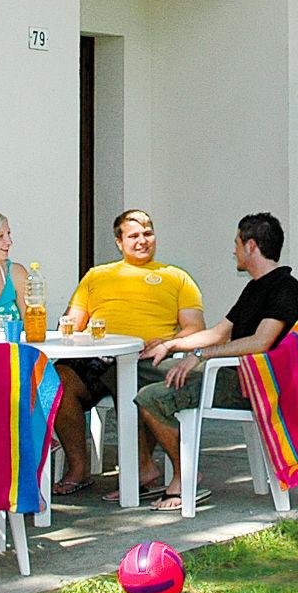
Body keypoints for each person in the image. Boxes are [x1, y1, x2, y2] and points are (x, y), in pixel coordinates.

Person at [138, 212, 298, 509]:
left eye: (237, 243)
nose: (234, 250)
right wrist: (170, 344)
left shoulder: (286, 289)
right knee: (142, 369)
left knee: (150, 396)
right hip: (232, 375)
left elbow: (261, 343)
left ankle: (183, 478)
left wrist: (199, 356)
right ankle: (141, 469)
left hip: (253, 386)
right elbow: (218, 333)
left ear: (251, 246)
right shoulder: (256, 286)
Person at [54, 208, 204, 499]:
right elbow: (73, 320)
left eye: (147, 233)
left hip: (146, 359)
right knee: (56, 381)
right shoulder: (97, 275)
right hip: (96, 356)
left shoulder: (175, 277)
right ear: (119, 242)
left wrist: (167, 341)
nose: (142, 240)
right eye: (133, 235)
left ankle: (142, 468)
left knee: (124, 375)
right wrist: (67, 325)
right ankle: (79, 468)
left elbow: (195, 328)